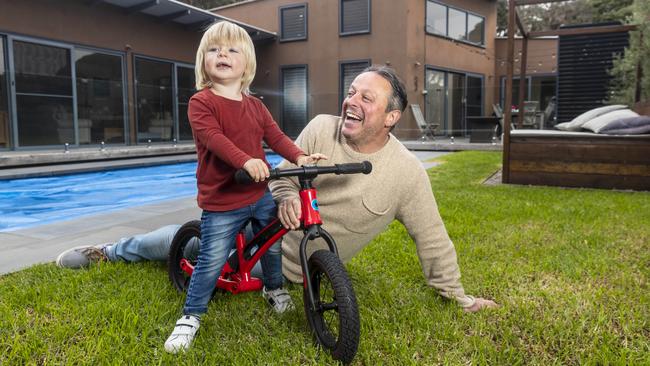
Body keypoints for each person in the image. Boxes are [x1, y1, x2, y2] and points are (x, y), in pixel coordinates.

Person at [58, 66, 495, 319]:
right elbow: (281, 174)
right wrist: (285, 198)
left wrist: (459, 297)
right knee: (188, 241)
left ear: (392, 116)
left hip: (305, 270)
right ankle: (113, 250)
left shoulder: (407, 174)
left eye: (367, 98)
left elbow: (433, 238)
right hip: (258, 237)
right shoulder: (323, 128)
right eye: (351, 92)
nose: (351, 102)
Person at [162, 21, 325, 354]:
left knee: (274, 244)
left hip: (258, 193)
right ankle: (191, 316)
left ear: (246, 63)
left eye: (232, 49)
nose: (222, 53)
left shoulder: (255, 106)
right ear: (203, 61)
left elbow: (276, 137)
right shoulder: (201, 102)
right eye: (214, 49)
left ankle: (274, 289)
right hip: (222, 200)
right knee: (210, 260)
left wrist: (299, 156)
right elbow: (214, 139)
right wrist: (245, 161)